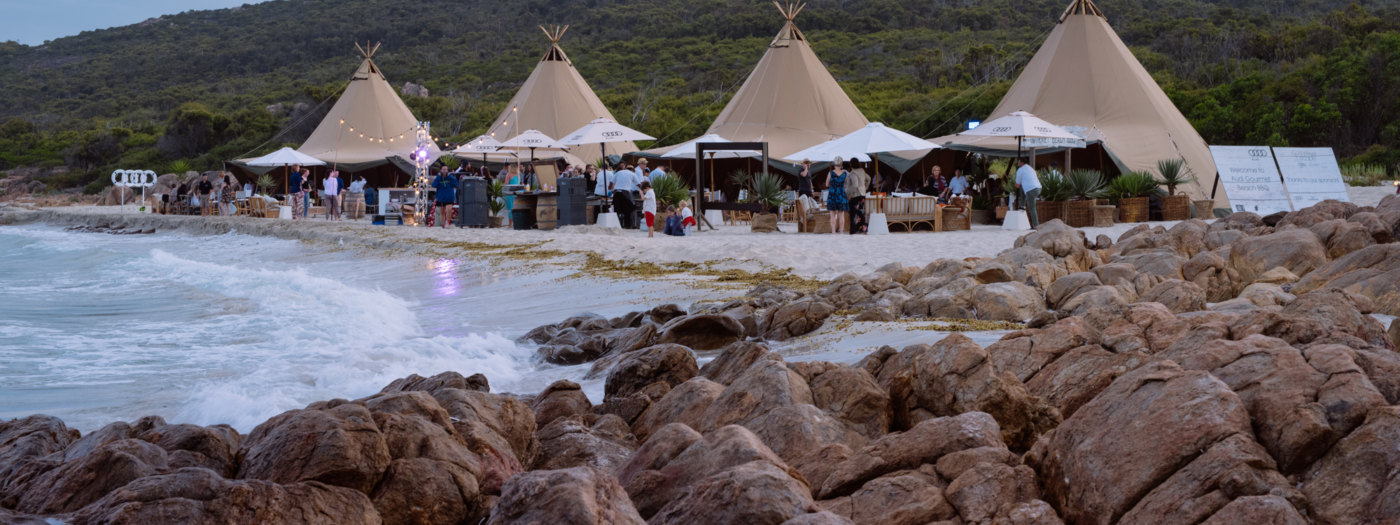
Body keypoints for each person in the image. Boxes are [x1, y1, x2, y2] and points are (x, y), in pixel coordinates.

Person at [1015, 157, 1042, 228]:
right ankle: (1022, 205)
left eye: (1018, 162)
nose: (1017, 164)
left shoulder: (1020, 170)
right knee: (1022, 188)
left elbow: (1017, 185)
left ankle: (1036, 225)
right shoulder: (1030, 168)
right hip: (1038, 188)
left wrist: (1016, 185)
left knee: (1032, 208)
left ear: (1022, 163)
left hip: (1031, 190)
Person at [846, 160, 871, 234]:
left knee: (853, 213)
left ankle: (854, 230)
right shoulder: (862, 171)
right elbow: (869, 179)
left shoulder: (853, 173)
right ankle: (864, 229)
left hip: (855, 195)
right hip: (862, 194)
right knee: (861, 213)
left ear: (851, 164)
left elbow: (855, 185)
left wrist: (849, 193)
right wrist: (865, 188)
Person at [826, 157, 849, 234]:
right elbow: (846, 184)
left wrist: (833, 185)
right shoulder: (844, 174)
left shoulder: (830, 173)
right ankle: (841, 231)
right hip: (841, 194)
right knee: (841, 215)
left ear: (834, 164)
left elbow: (827, 184)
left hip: (832, 194)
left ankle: (833, 231)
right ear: (841, 164)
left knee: (832, 215)